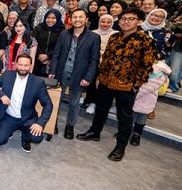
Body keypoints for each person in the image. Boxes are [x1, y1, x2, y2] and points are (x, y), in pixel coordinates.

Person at [77, 8, 155, 162]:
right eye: (123, 18)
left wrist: (136, 85)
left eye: (130, 19)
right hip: (106, 81)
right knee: (101, 109)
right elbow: (105, 59)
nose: (126, 21)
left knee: (124, 116)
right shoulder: (114, 37)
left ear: (139, 21)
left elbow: (146, 66)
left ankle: (120, 147)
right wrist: (100, 76)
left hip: (126, 86)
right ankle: (95, 132)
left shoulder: (145, 41)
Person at [48, 9, 100, 139]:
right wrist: (52, 71)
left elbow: (94, 60)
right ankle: (52, 123)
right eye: (74, 17)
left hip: (79, 75)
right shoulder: (64, 34)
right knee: (56, 100)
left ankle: (69, 126)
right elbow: (56, 54)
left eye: (80, 17)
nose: (77, 19)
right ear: (70, 19)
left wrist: (88, 78)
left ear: (86, 19)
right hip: (61, 72)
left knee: (74, 102)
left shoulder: (94, 37)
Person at [0, 54, 53, 152]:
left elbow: (48, 104)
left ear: (31, 66)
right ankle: (9, 130)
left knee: (36, 138)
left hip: (28, 118)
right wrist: (1, 95)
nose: (23, 68)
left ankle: (25, 137)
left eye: (26, 65)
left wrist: (40, 123)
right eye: (20, 65)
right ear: (16, 65)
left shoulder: (38, 82)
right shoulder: (8, 75)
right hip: (8, 116)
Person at [84, 14, 118, 113]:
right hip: (94, 62)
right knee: (92, 83)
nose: (105, 24)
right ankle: (92, 102)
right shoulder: (92, 33)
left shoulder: (116, 34)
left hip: (109, 64)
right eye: (103, 21)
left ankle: (102, 103)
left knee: (104, 86)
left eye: (108, 22)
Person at [32, 9, 65, 77]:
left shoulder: (62, 31)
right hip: (37, 60)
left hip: (53, 63)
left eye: (53, 18)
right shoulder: (39, 28)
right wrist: (40, 55)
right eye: (48, 17)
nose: (50, 20)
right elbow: (32, 41)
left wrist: (48, 56)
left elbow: (60, 47)